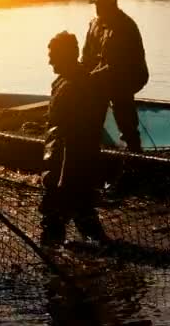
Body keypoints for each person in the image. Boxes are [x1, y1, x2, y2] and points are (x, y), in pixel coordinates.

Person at [40, 31, 110, 247]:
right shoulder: (61, 81)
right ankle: (100, 246)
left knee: (56, 213)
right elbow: (58, 120)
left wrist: (63, 176)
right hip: (57, 159)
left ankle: (51, 256)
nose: (49, 59)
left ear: (67, 55)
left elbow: (79, 133)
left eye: (53, 55)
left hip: (69, 162)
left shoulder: (80, 85)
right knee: (82, 209)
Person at [81, 0, 149, 153]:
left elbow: (117, 64)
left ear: (111, 5)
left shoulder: (125, 26)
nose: (97, 9)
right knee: (91, 110)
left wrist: (90, 77)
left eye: (100, 5)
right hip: (103, 78)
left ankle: (134, 149)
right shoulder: (94, 24)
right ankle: (90, 146)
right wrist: (80, 73)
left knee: (123, 108)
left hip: (127, 77)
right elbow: (86, 55)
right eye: (96, 5)